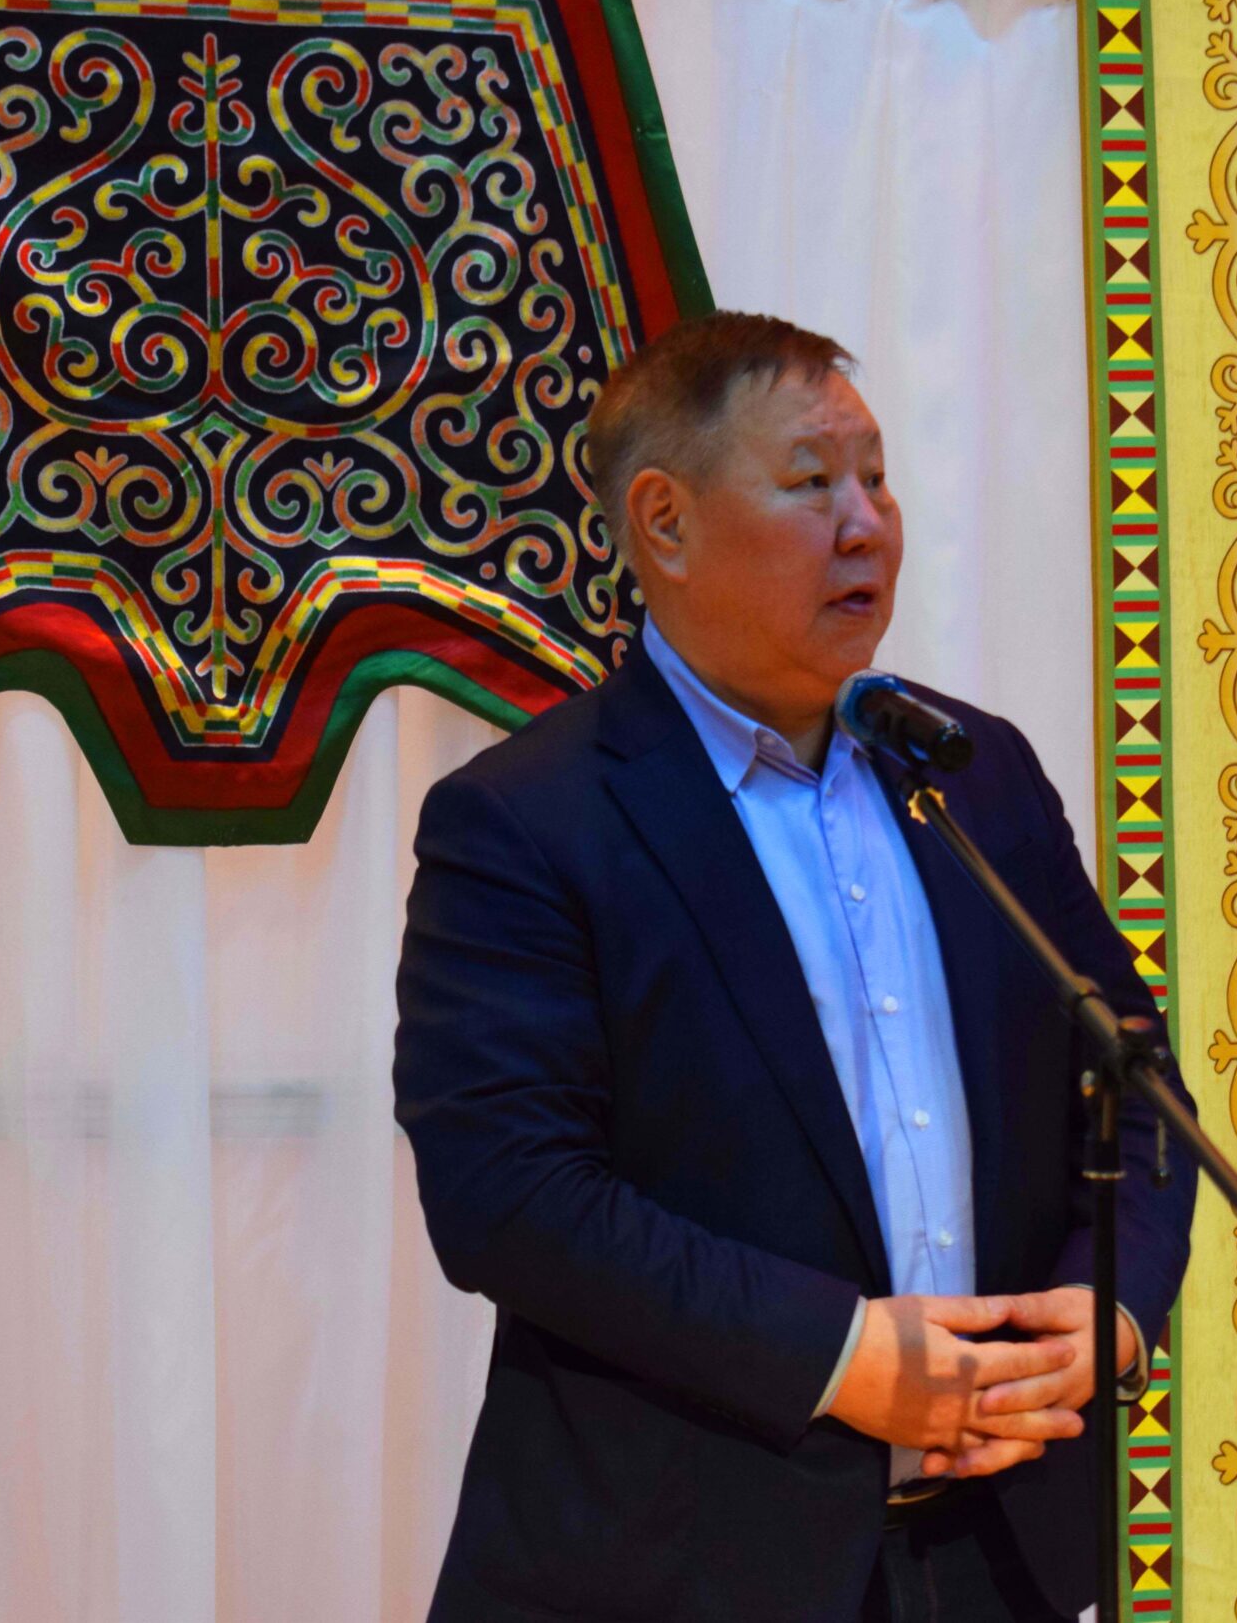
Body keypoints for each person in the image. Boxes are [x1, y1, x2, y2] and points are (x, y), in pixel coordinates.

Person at [393, 312, 1195, 1622]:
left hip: (994, 1562)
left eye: (877, 478)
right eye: (814, 482)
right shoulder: (529, 821)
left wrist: (1109, 1306)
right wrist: (841, 1354)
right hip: (678, 1572)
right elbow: (509, 1196)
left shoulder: (973, 774)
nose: (867, 523)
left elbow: (1134, 1082)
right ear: (665, 524)